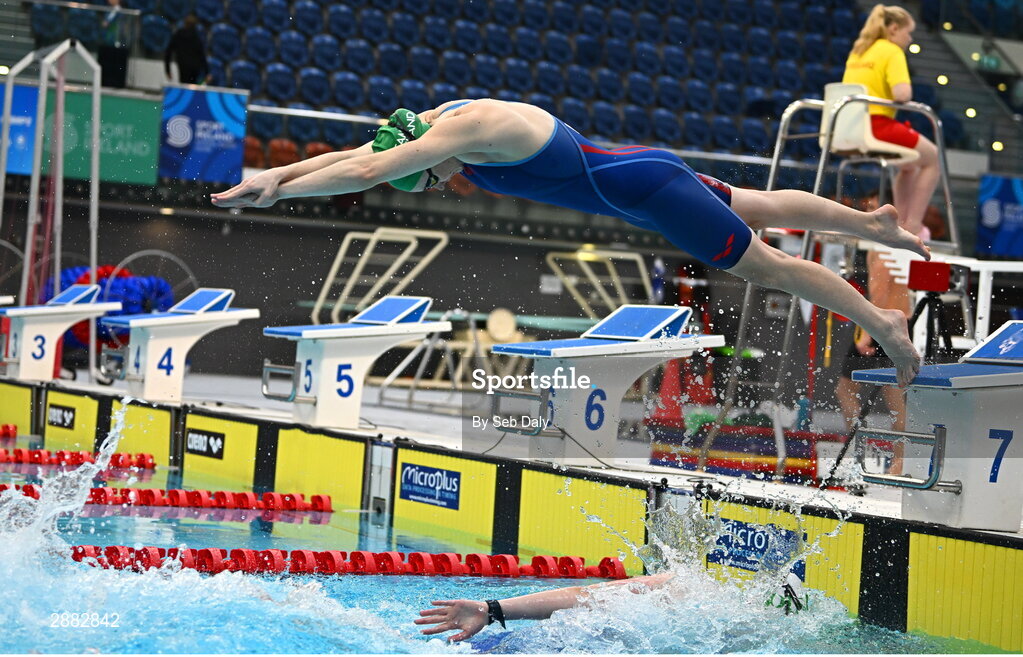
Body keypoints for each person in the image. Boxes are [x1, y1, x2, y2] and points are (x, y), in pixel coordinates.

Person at [211, 99, 929, 387]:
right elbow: (365, 151)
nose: (439, 184)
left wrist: (278, 180)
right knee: (761, 203)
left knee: (771, 266)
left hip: (647, 194)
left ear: (428, 152)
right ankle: (870, 223)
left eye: (428, 179)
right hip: (641, 171)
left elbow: (367, 168)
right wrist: (278, 174)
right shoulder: (441, 119)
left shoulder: (460, 134)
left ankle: (882, 322)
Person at [414, 571, 807, 642]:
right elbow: (592, 596)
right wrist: (491, 607)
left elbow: (590, 596)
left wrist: (493, 607)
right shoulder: (687, 594)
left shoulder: (684, 591)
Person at [843, 5, 938, 240]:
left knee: (909, 165)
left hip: (848, 125)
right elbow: (902, 94)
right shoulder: (891, 51)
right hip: (876, 125)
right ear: (894, 29)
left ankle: (900, 222)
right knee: (933, 158)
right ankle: (913, 224)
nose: (910, 38)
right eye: (908, 32)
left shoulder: (859, 50)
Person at [164, 15, 209, 85]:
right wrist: (207, 72)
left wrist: (167, 70)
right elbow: (202, 55)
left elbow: (168, 52)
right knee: (193, 87)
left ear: (185, 24)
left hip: (183, 66)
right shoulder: (196, 37)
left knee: (184, 85)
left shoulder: (178, 35)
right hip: (195, 68)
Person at [98, 0, 130, 89]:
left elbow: (107, 23)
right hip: (108, 42)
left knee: (113, 64)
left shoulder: (118, 11)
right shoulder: (109, 10)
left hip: (115, 42)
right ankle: (104, 82)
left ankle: (114, 83)